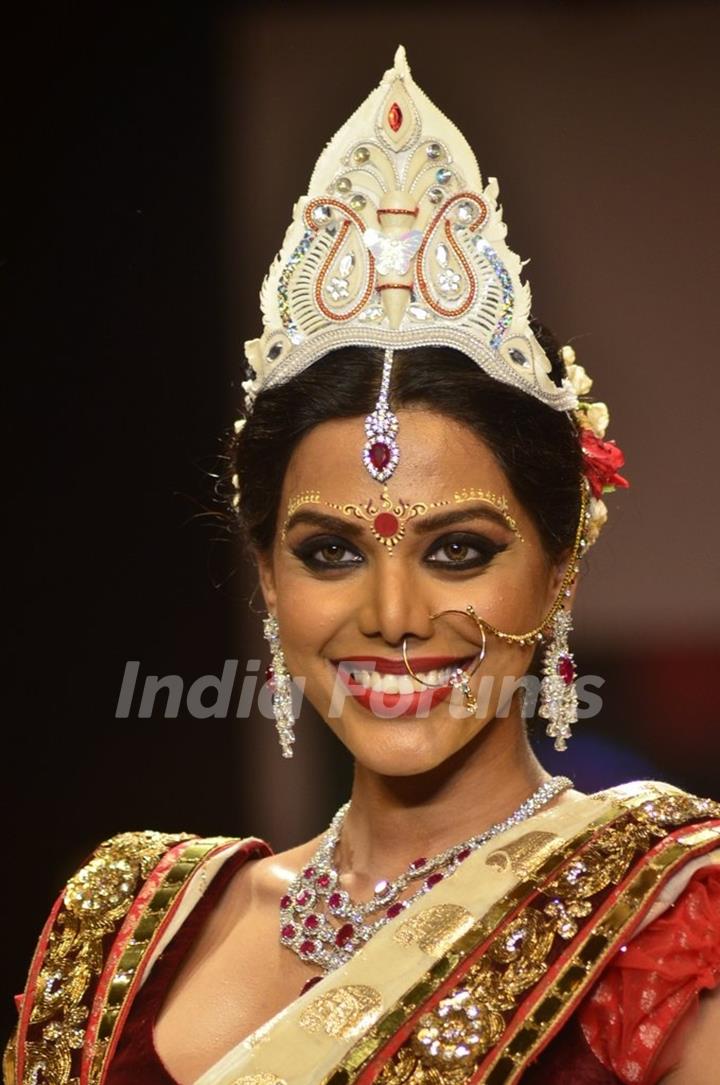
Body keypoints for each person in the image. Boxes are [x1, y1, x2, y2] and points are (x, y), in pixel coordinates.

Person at [5, 45, 719, 1085]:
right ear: (266, 577)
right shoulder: (122, 929)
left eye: (458, 549)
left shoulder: (658, 926)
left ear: (561, 568)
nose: (392, 612)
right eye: (331, 550)